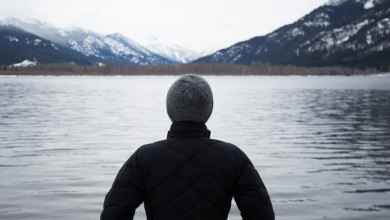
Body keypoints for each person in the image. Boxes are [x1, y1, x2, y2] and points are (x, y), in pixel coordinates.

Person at [101, 74, 274, 220]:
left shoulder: (144, 156)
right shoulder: (233, 156)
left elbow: (113, 214)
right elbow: (261, 214)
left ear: (169, 109)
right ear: (209, 109)